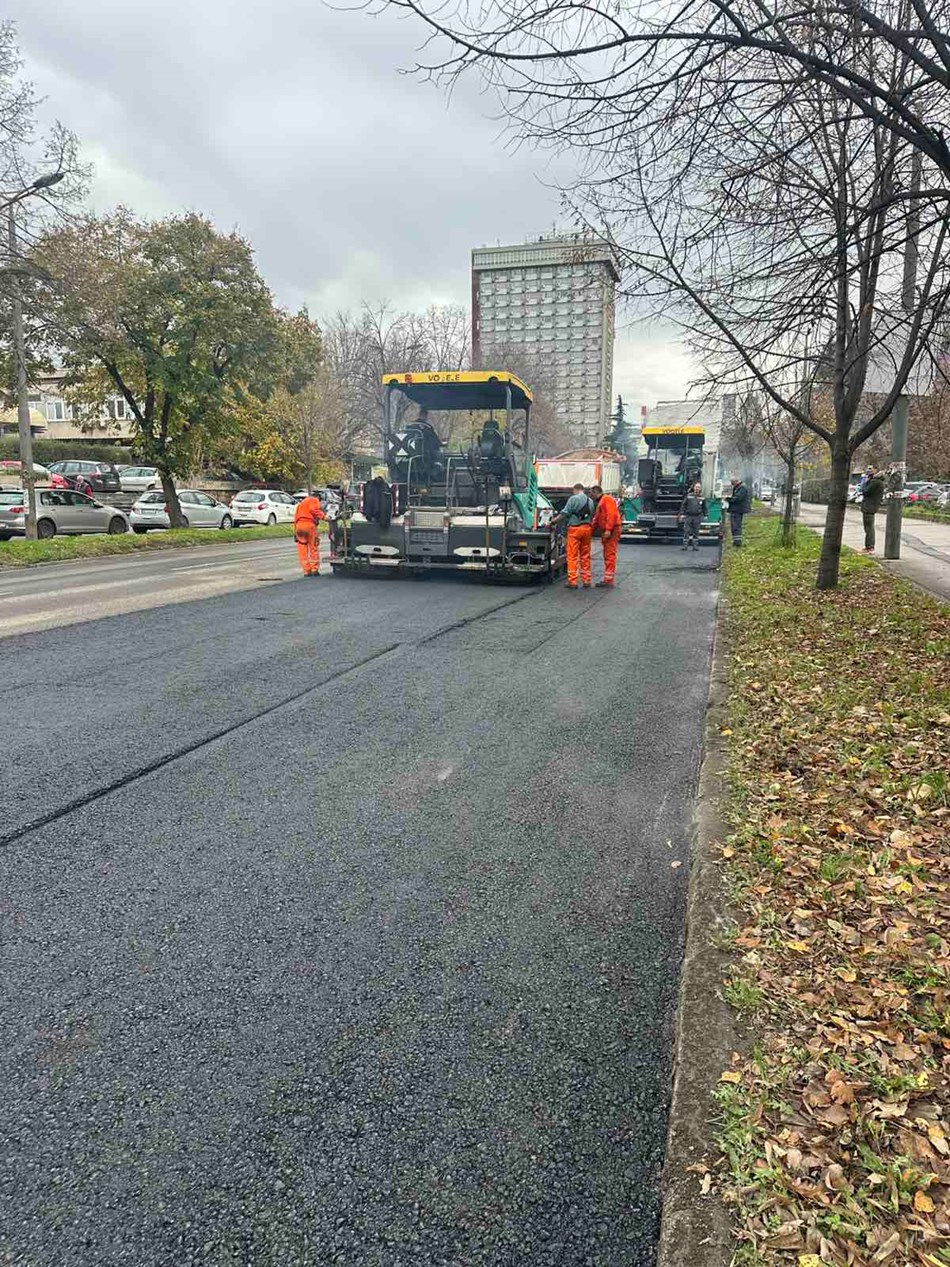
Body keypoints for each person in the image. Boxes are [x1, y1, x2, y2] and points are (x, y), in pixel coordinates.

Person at [558, 482, 595, 588]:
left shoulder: (573, 499)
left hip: (575, 529)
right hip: (587, 529)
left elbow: (565, 513)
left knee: (572, 556)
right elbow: (592, 514)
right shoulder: (590, 501)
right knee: (585, 556)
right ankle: (586, 580)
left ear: (575, 489)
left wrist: (553, 522)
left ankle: (572, 581)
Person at [590, 483, 622, 587]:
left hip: (612, 530)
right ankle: (608, 578)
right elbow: (596, 519)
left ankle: (608, 580)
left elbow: (611, 514)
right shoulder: (602, 502)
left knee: (609, 554)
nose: (591, 497)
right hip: (609, 530)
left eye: (592, 494)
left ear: (596, 492)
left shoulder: (606, 499)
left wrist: (608, 529)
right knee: (607, 554)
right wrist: (589, 531)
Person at [293, 491, 327, 577]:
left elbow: (296, 517)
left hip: (299, 526)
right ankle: (314, 570)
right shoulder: (314, 500)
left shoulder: (301, 503)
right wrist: (324, 517)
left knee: (302, 550)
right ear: (318, 498)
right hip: (309, 526)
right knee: (313, 547)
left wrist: (295, 531)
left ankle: (306, 571)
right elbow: (314, 510)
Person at [860, 465, 885, 553]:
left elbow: (865, 491)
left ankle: (869, 547)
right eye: (868, 468)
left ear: (876, 470)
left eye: (871, 469)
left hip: (869, 507)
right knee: (869, 527)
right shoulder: (877, 481)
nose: (868, 470)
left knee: (869, 528)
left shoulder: (874, 482)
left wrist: (864, 482)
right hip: (871, 506)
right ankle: (869, 546)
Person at [679, 481, 706, 551]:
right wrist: (682, 514)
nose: (697, 488)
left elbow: (704, 507)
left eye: (699, 487)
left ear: (700, 489)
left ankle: (695, 546)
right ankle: (685, 546)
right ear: (694, 488)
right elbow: (683, 505)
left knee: (696, 532)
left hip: (697, 516)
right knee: (686, 531)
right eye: (696, 487)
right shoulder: (688, 496)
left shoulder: (702, 497)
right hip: (689, 516)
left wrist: (706, 515)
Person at [728, 475, 751, 546]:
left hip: (737, 510)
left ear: (735, 481)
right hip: (736, 510)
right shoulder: (738, 487)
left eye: (732, 482)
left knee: (736, 526)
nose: (732, 484)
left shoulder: (742, 488)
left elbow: (738, 498)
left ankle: (737, 542)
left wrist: (728, 499)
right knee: (734, 526)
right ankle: (736, 541)